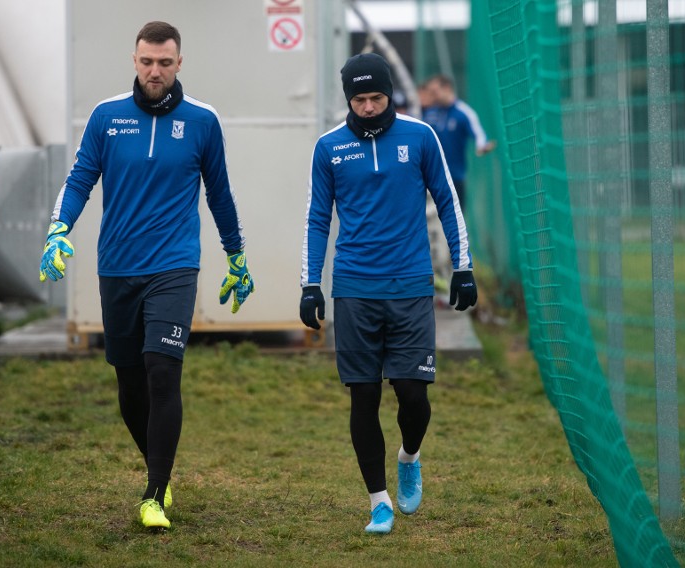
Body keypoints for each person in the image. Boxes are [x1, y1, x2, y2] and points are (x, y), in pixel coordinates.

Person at [39, 21, 254, 530]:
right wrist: (57, 229)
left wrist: (237, 254)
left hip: (175, 266)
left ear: (180, 64)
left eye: (165, 62)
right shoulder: (106, 117)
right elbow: (79, 179)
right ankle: (160, 466)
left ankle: (154, 493)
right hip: (117, 266)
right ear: (134, 61)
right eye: (146, 61)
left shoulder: (202, 121)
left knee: (162, 369)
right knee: (130, 387)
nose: (155, 71)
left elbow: (219, 194)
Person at [299, 53, 478, 535]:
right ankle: (378, 502)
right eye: (360, 99)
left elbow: (447, 199)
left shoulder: (421, 137)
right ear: (349, 100)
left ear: (389, 95)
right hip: (354, 289)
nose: (370, 106)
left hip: (411, 285)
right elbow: (318, 218)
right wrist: (311, 282)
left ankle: (409, 456)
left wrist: (462, 266)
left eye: (377, 96)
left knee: (413, 395)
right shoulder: (329, 147)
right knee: (363, 396)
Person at [421, 74, 496, 211]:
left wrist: (482, 146)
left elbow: (479, 135)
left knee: (454, 220)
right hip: (428, 177)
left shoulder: (464, 113)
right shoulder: (429, 112)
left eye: (435, 92)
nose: (432, 96)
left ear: (447, 88)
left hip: (453, 178)